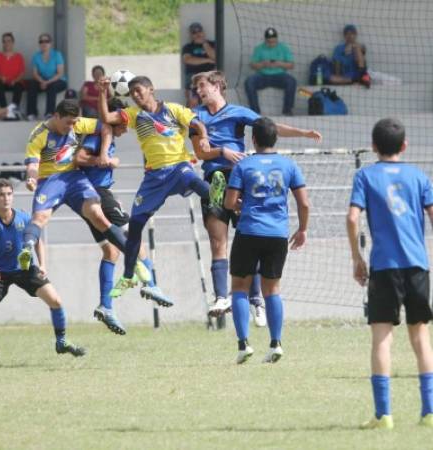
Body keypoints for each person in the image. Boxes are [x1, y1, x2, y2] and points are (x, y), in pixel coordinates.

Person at [190, 70, 321, 322]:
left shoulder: (238, 112)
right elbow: (201, 153)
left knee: (252, 239)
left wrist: (303, 133)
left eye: (202, 86)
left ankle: (256, 299)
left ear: (217, 86)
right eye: (196, 89)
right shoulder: (196, 117)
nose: (198, 92)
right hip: (214, 181)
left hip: (241, 180)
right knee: (218, 241)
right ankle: (221, 297)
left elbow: (268, 127)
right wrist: (222, 151)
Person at [97, 75, 223, 300]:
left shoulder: (174, 110)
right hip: (154, 178)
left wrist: (203, 137)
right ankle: (129, 276)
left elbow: (197, 124)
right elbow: (106, 116)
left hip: (177, 167)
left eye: (139, 90)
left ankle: (217, 194)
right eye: (132, 92)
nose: (135, 95)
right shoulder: (135, 116)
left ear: (151, 89)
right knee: (134, 227)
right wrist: (103, 91)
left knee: (192, 180)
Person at [347, 118, 433, 429]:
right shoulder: (418, 176)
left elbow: (352, 217)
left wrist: (357, 258)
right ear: (404, 146)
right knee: (421, 337)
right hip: (417, 265)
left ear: (373, 146)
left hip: (384, 266)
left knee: (382, 340)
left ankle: (384, 414)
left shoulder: (366, 175)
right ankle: (429, 412)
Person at [18, 100, 152, 287]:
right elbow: (32, 164)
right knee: (40, 218)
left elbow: (105, 127)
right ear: (56, 116)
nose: (72, 127)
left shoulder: (78, 123)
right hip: (50, 180)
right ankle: (26, 248)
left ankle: (134, 263)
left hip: (74, 178)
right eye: (68, 123)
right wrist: (31, 178)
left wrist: (104, 154)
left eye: (74, 123)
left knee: (98, 216)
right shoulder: (39, 135)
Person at [74, 97, 170, 334]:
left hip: (89, 195)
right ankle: (151, 284)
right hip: (98, 193)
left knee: (110, 251)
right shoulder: (97, 135)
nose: (126, 127)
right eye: (123, 122)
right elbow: (79, 158)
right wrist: (104, 161)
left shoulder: (106, 136)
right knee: (136, 240)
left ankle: (106, 306)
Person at [0, 178, 85, 362]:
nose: (6, 198)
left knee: (56, 301)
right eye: (2, 195)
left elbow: (38, 242)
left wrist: (43, 264)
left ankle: (61, 342)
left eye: (9, 194)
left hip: (25, 269)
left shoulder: (24, 217)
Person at [224, 117, 309, 365]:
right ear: (276, 139)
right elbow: (304, 203)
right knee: (272, 289)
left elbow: (230, 203)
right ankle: (276, 344)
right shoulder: (290, 165)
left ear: (254, 139)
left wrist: (240, 204)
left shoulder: (244, 165)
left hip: (249, 231)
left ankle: (244, 345)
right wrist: (302, 229)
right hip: (277, 234)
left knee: (239, 287)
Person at [244, 28, 296, 116]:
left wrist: (279, 64)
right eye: (269, 42)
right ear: (265, 40)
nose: (271, 44)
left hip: (279, 76)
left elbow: (291, 65)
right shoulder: (259, 48)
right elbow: (252, 65)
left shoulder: (284, 48)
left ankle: (287, 110)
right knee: (249, 81)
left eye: (273, 42)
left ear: (277, 39)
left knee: (291, 81)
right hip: (262, 76)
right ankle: (255, 111)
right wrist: (263, 64)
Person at [26, 33, 67, 120]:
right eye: (41, 41)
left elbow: (60, 73)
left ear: (50, 43)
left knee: (52, 86)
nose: (44, 43)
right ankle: (31, 113)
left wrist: (47, 82)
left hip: (58, 80)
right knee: (31, 84)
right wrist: (41, 81)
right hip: (43, 81)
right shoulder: (36, 56)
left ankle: (49, 113)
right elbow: (34, 73)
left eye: (46, 41)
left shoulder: (57, 55)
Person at [181, 22, 216, 107]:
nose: (197, 34)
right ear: (191, 35)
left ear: (203, 32)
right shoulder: (188, 47)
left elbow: (215, 57)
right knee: (193, 100)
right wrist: (208, 60)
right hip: (193, 76)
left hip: (209, 75)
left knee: (211, 100)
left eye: (199, 31)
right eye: (194, 32)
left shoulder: (212, 44)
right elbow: (188, 60)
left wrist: (204, 43)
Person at [0, 32, 25, 109]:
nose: (6, 43)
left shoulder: (19, 57)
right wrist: (0, 78)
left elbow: (22, 74)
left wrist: (15, 80)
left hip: (15, 82)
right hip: (2, 83)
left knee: (19, 87)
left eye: (8, 41)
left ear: (13, 42)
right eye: (4, 41)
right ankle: (4, 111)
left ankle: (13, 110)